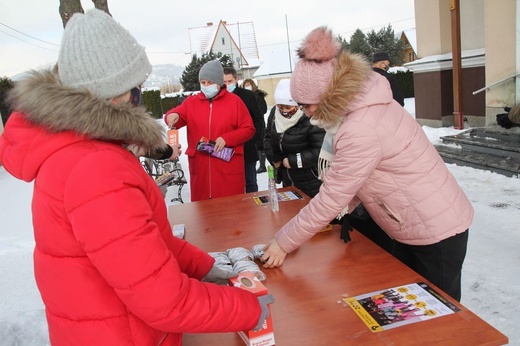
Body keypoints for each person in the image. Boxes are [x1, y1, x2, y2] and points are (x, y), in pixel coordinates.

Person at [0, 9, 272, 345]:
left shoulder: (82, 148)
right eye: (137, 85)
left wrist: (203, 267)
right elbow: (164, 299)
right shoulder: (95, 169)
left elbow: (147, 242)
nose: (140, 93)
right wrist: (248, 308)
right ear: (115, 94)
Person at [261, 26, 474, 302]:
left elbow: (333, 197)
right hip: (412, 222)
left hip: (436, 229)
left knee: (441, 314)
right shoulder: (359, 109)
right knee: (412, 305)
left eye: (307, 105)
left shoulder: (360, 127)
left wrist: (283, 242)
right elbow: (356, 180)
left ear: (327, 96)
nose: (306, 113)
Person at [165, 60, 255, 201]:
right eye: (203, 82)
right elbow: (176, 115)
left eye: (210, 82)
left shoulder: (235, 102)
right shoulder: (191, 102)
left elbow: (248, 128)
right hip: (201, 171)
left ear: (219, 83)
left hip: (227, 168)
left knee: (231, 210)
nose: (206, 86)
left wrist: (227, 138)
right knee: (203, 214)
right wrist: (173, 115)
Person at [264, 79, 325, 198]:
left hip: (310, 180)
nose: (284, 112)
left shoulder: (310, 117)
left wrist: (293, 161)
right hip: (286, 178)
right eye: (281, 108)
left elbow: (319, 150)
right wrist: (273, 157)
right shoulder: (274, 114)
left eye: (288, 107)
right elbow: (267, 136)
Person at [223, 67, 265, 193]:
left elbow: (258, 119)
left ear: (236, 79)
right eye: (224, 82)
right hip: (226, 149)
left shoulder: (248, 95)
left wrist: (253, 139)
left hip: (247, 147)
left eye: (229, 81)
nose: (227, 85)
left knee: (250, 181)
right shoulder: (218, 97)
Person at [242, 78, 269, 173]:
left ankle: (262, 165)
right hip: (247, 124)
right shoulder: (243, 96)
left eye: (249, 84)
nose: (247, 85)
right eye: (246, 84)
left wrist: (254, 112)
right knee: (253, 144)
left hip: (258, 123)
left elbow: (264, 109)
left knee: (260, 144)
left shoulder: (258, 95)